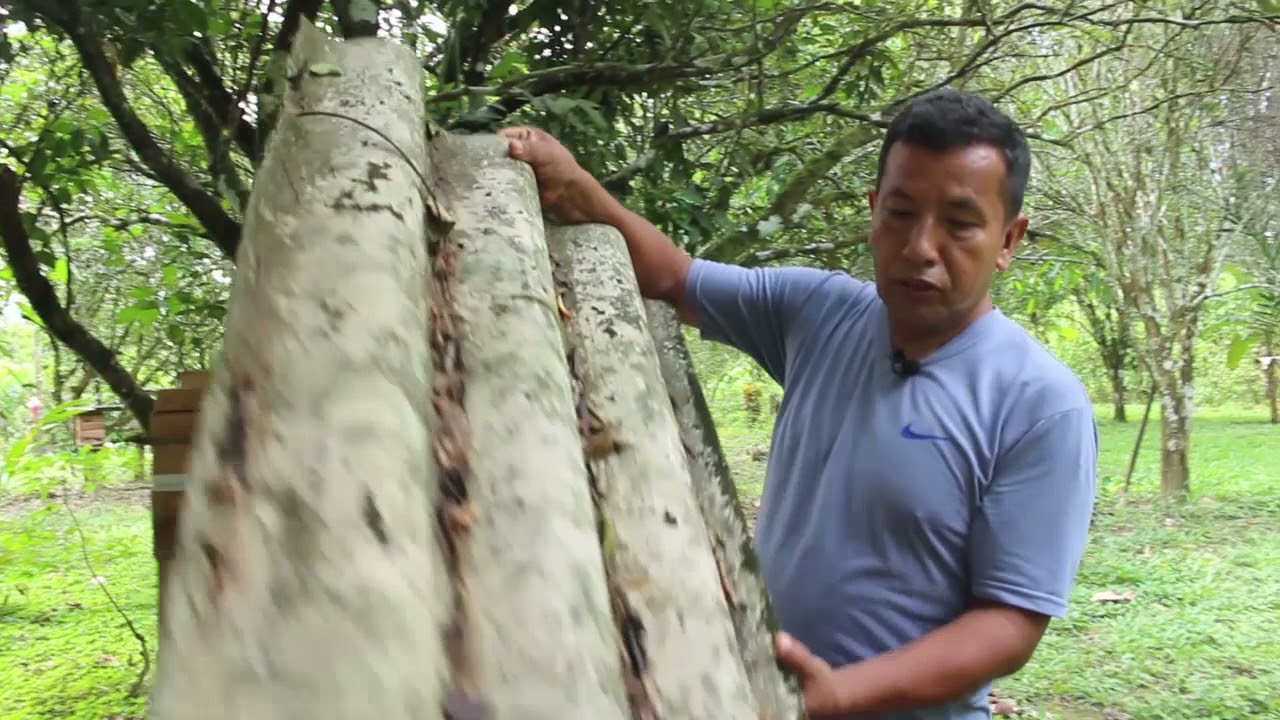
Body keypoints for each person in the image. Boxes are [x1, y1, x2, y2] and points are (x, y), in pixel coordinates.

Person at [500, 87, 1098, 720]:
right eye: (900, 212)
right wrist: (574, 187)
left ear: (1009, 238)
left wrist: (839, 694)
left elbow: (1010, 625)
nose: (921, 246)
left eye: (959, 223)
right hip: (765, 697)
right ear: (872, 212)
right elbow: (674, 277)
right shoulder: (819, 314)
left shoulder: (1039, 404)